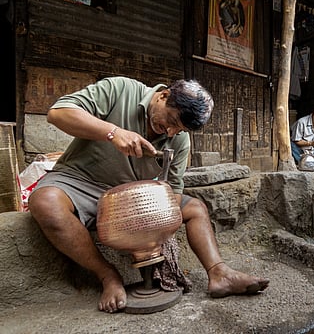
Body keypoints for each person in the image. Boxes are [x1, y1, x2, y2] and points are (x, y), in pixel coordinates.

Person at [28, 76, 269, 313]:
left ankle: (219, 273)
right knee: (45, 202)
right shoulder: (120, 90)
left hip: (132, 197)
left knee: (194, 208)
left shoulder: (179, 138)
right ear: (164, 96)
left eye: (179, 129)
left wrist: (154, 225)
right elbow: (58, 113)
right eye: (171, 120)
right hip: (80, 181)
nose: (171, 131)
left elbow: (174, 191)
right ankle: (108, 276)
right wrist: (112, 132)